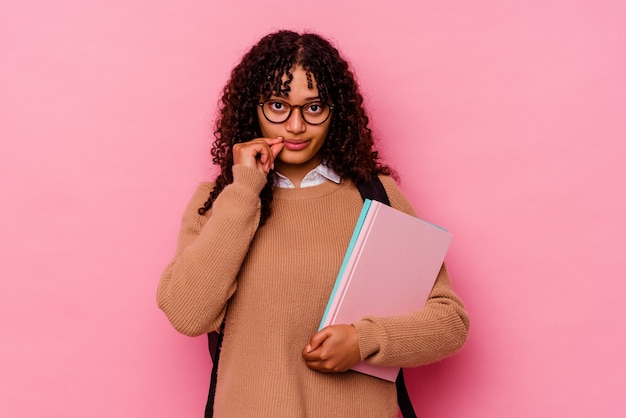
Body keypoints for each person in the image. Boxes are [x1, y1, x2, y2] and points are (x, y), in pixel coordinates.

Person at [157, 30, 470, 417]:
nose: (295, 126)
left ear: (335, 112)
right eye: (277, 105)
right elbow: (188, 315)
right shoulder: (220, 202)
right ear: (251, 109)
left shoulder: (374, 196)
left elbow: (450, 322)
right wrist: (245, 190)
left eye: (314, 107)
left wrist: (364, 340)